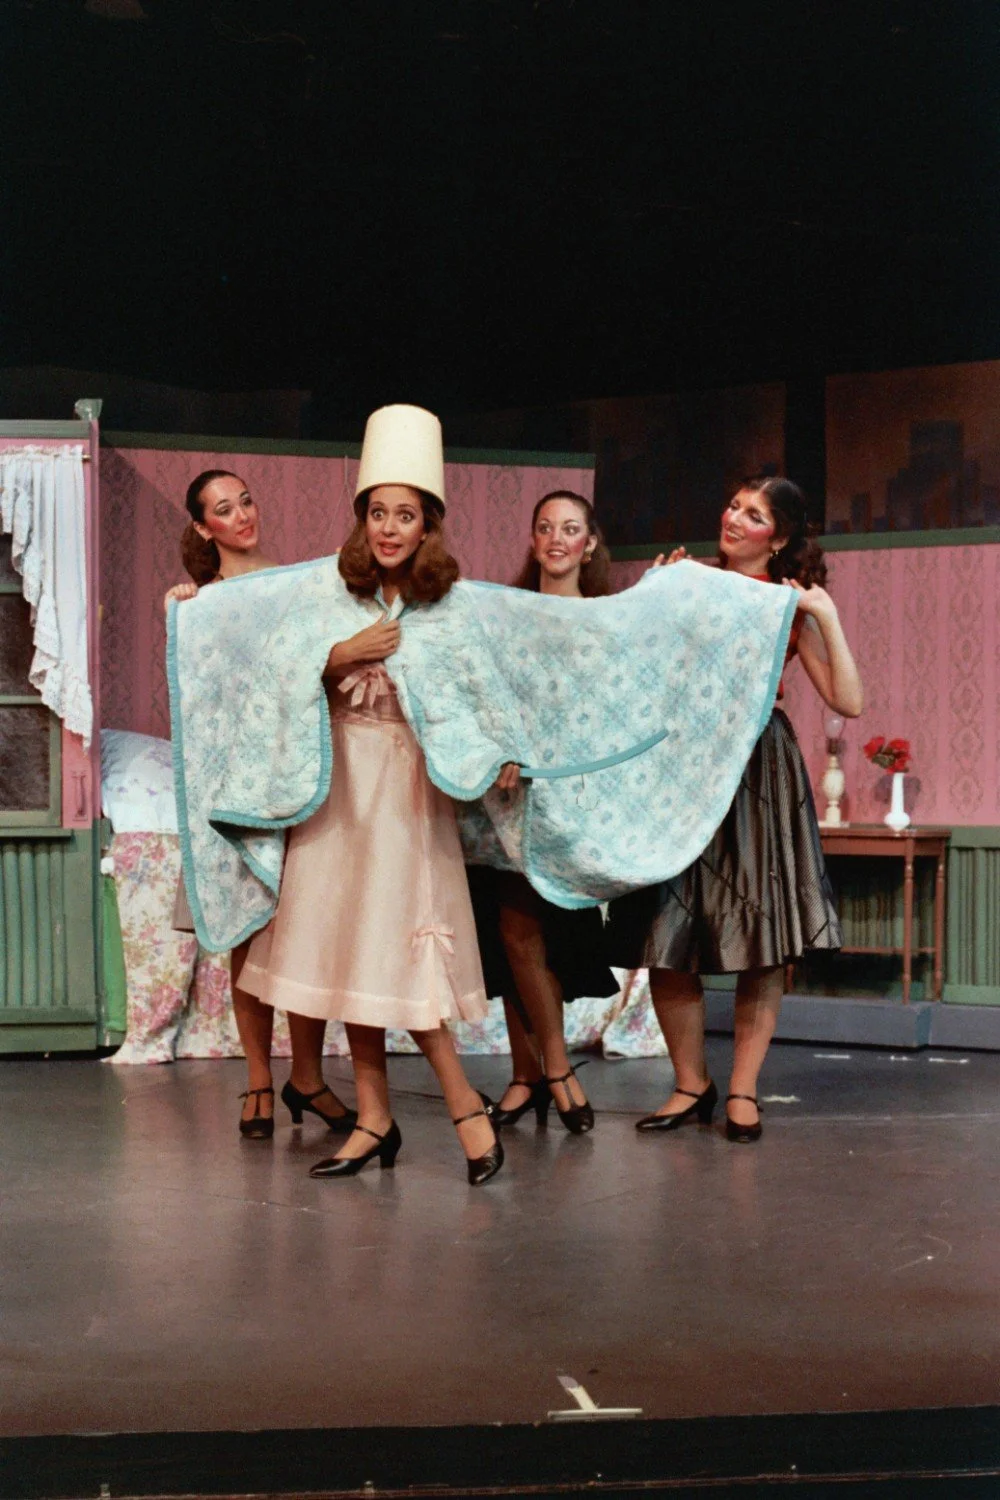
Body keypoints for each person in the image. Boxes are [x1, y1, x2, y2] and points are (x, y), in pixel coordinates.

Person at [238, 406, 506, 1185]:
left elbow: (480, 699)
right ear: (363, 521)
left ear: (429, 527)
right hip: (333, 793)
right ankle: (376, 1120)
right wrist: (338, 657)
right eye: (379, 513)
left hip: (405, 798)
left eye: (406, 515)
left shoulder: (447, 607)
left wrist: (496, 753)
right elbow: (270, 671)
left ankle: (466, 1111)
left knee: (405, 964)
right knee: (347, 954)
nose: (390, 529)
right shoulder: (332, 595)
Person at [606, 477, 863, 1143]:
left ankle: (744, 1088)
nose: (733, 517)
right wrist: (651, 599)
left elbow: (849, 701)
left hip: (754, 769)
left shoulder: (785, 605)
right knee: (667, 935)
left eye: (753, 515)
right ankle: (692, 1083)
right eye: (733, 505)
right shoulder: (686, 580)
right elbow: (634, 668)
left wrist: (827, 617)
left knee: (762, 944)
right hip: (685, 762)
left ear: (777, 538)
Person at [164, 470, 356, 1143]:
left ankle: (307, 1076)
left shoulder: (300, 584)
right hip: (236, 783)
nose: (242, 515)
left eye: (246, 500)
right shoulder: (204, 604)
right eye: (224, 509)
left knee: (301, 934)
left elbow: (324, 667)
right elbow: (206, 696)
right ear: (202, 527)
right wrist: (188, 614)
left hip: (293, 768)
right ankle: (256, 1078)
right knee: (247, 932)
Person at [469, 491, 619, 1134]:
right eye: (545, 528)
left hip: (569, 806)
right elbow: (484, 696)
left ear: (589, 542)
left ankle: (540, 1072)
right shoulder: (506, 615)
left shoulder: (606, 619)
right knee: (509, 932)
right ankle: (539, 1074)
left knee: (541, 939)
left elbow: (613, 707)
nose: (556, 539)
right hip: (504, 800)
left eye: (570, 529)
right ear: (532, 540)